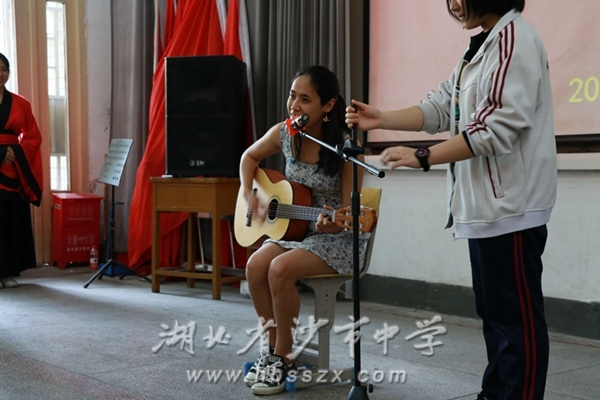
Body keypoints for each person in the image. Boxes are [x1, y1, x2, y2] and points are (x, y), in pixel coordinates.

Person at [346, 1, 556, 399]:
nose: (454, 4)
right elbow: (444, 107)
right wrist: (382, 118)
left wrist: (423, 155)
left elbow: (494, 129)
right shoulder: (480, 47)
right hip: (484, 209)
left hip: (511, 208)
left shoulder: (515, 39)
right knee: (495, 317)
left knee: (516, 324)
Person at [240, 65, 369, 396]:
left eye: (305, 99)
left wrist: (333, 222)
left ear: (328, 106)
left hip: (336, 238)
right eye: (292, 96)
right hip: (297, 229)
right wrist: (248, 195)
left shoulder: (344, 148)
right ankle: (272, 351)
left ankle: (284, 358)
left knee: (279, 269)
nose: (294, 105)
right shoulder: (285, 134)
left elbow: (348, 213)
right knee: (255, 265)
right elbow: (249, 157)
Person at [0, 52, 43, 289]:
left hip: (13, 166)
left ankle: (7, 272)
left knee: (10, 221)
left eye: (4, 69)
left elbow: (33, 136)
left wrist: (15, 151)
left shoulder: (21, 103)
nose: (0, 74)